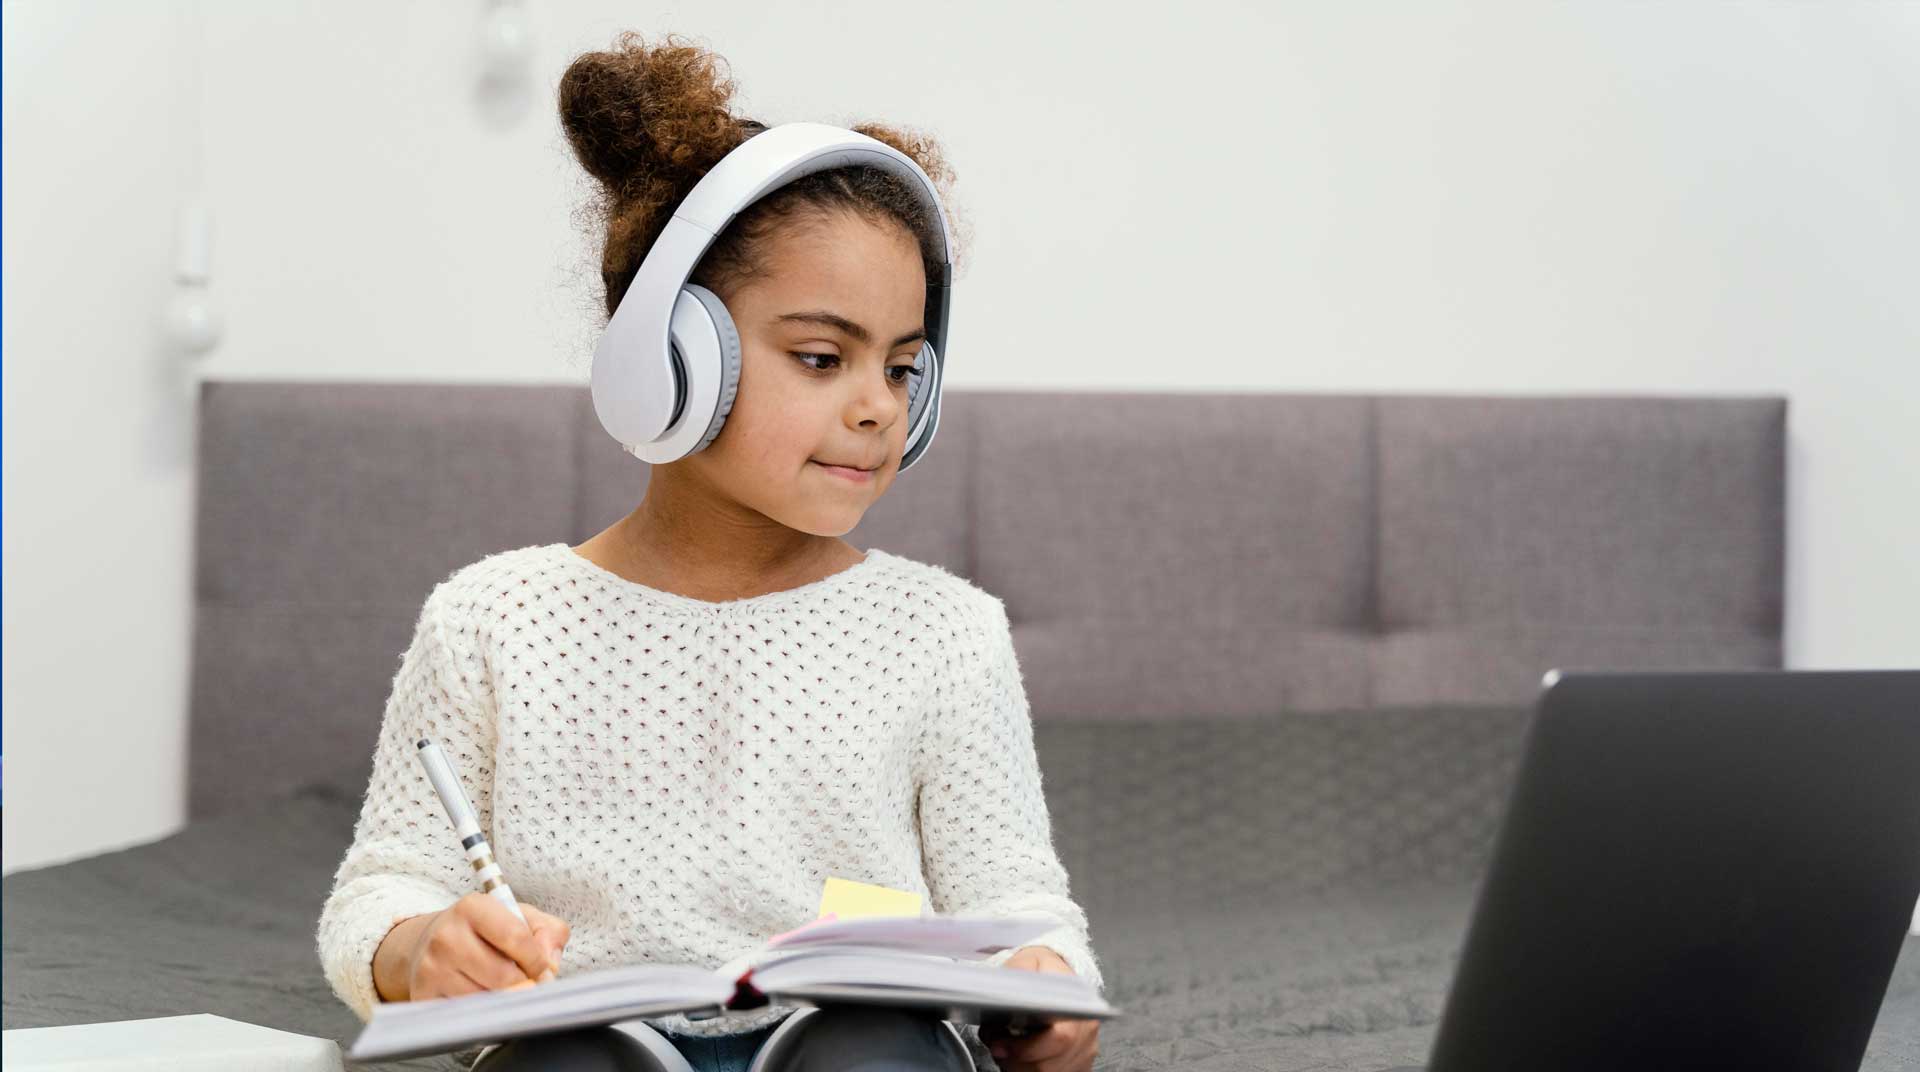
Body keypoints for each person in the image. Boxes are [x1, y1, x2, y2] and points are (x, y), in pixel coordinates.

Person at [314, 30, 1104, 1072]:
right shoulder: (491, 618)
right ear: (672, 358)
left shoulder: (947, 632)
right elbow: (384, 885)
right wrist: (418, 950)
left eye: (905, 368)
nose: (877, 406)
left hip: (852, 1039)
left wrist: (1045, 979)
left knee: (871, 1055)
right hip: (592, 1041)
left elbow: (1014, 899)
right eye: (823, 357)